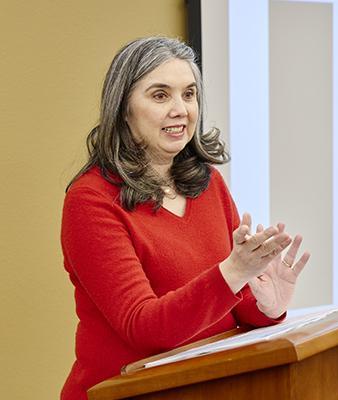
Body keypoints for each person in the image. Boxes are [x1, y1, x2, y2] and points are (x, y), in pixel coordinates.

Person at [60, 37, 310, 400]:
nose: (181, 110)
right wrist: (234, 273)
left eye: (189, 94)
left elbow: (226, 307)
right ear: (124, 109)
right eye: (161, 95)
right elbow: (143, 326)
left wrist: (267, 306)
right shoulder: (91, 200)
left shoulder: (208, 183)